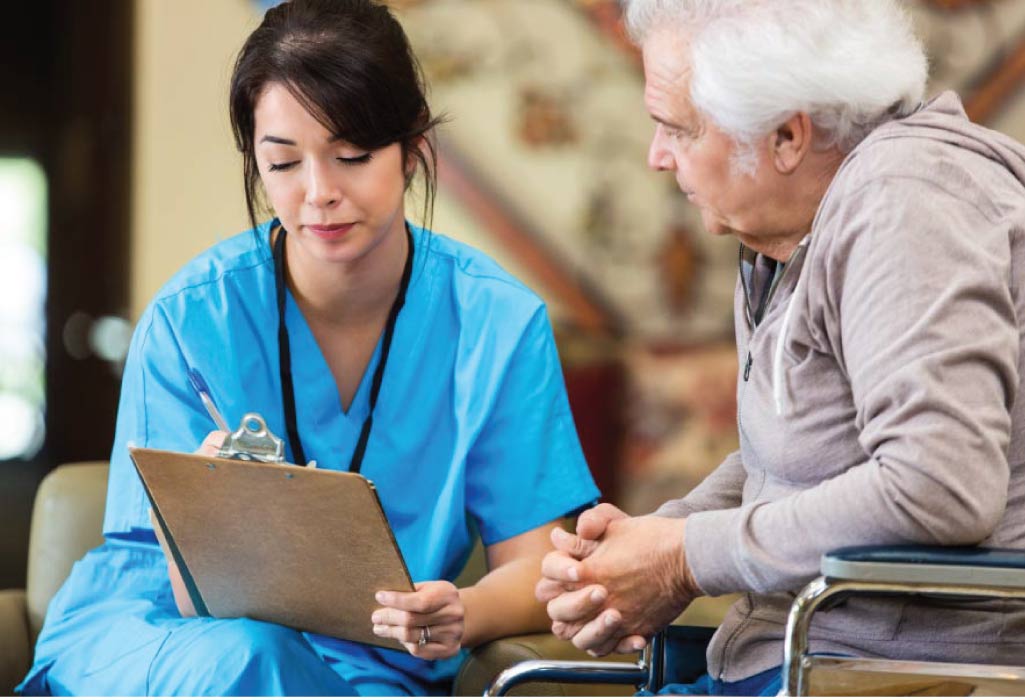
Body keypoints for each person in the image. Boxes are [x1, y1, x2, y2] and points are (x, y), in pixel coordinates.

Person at [19, 0, 599, 695]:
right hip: (162, 635)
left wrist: (463, 612)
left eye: (351, 156)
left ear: (412, 151)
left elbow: (537, 564)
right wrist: (205, 513)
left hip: (372, 660)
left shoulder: (497, 323)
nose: (319, 194)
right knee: (244, 657)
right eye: (284, 162)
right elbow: (186, 592)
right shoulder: (191, 318)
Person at [537, 0, 1025, 696]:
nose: (656, 157)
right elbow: (808, 455)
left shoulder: (905, 208)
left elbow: (935, 486)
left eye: (677, 128)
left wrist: (684, 559)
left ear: (787, 138)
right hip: (799, 655)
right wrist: (652, 541)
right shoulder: (797, 225)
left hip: (885, 673)